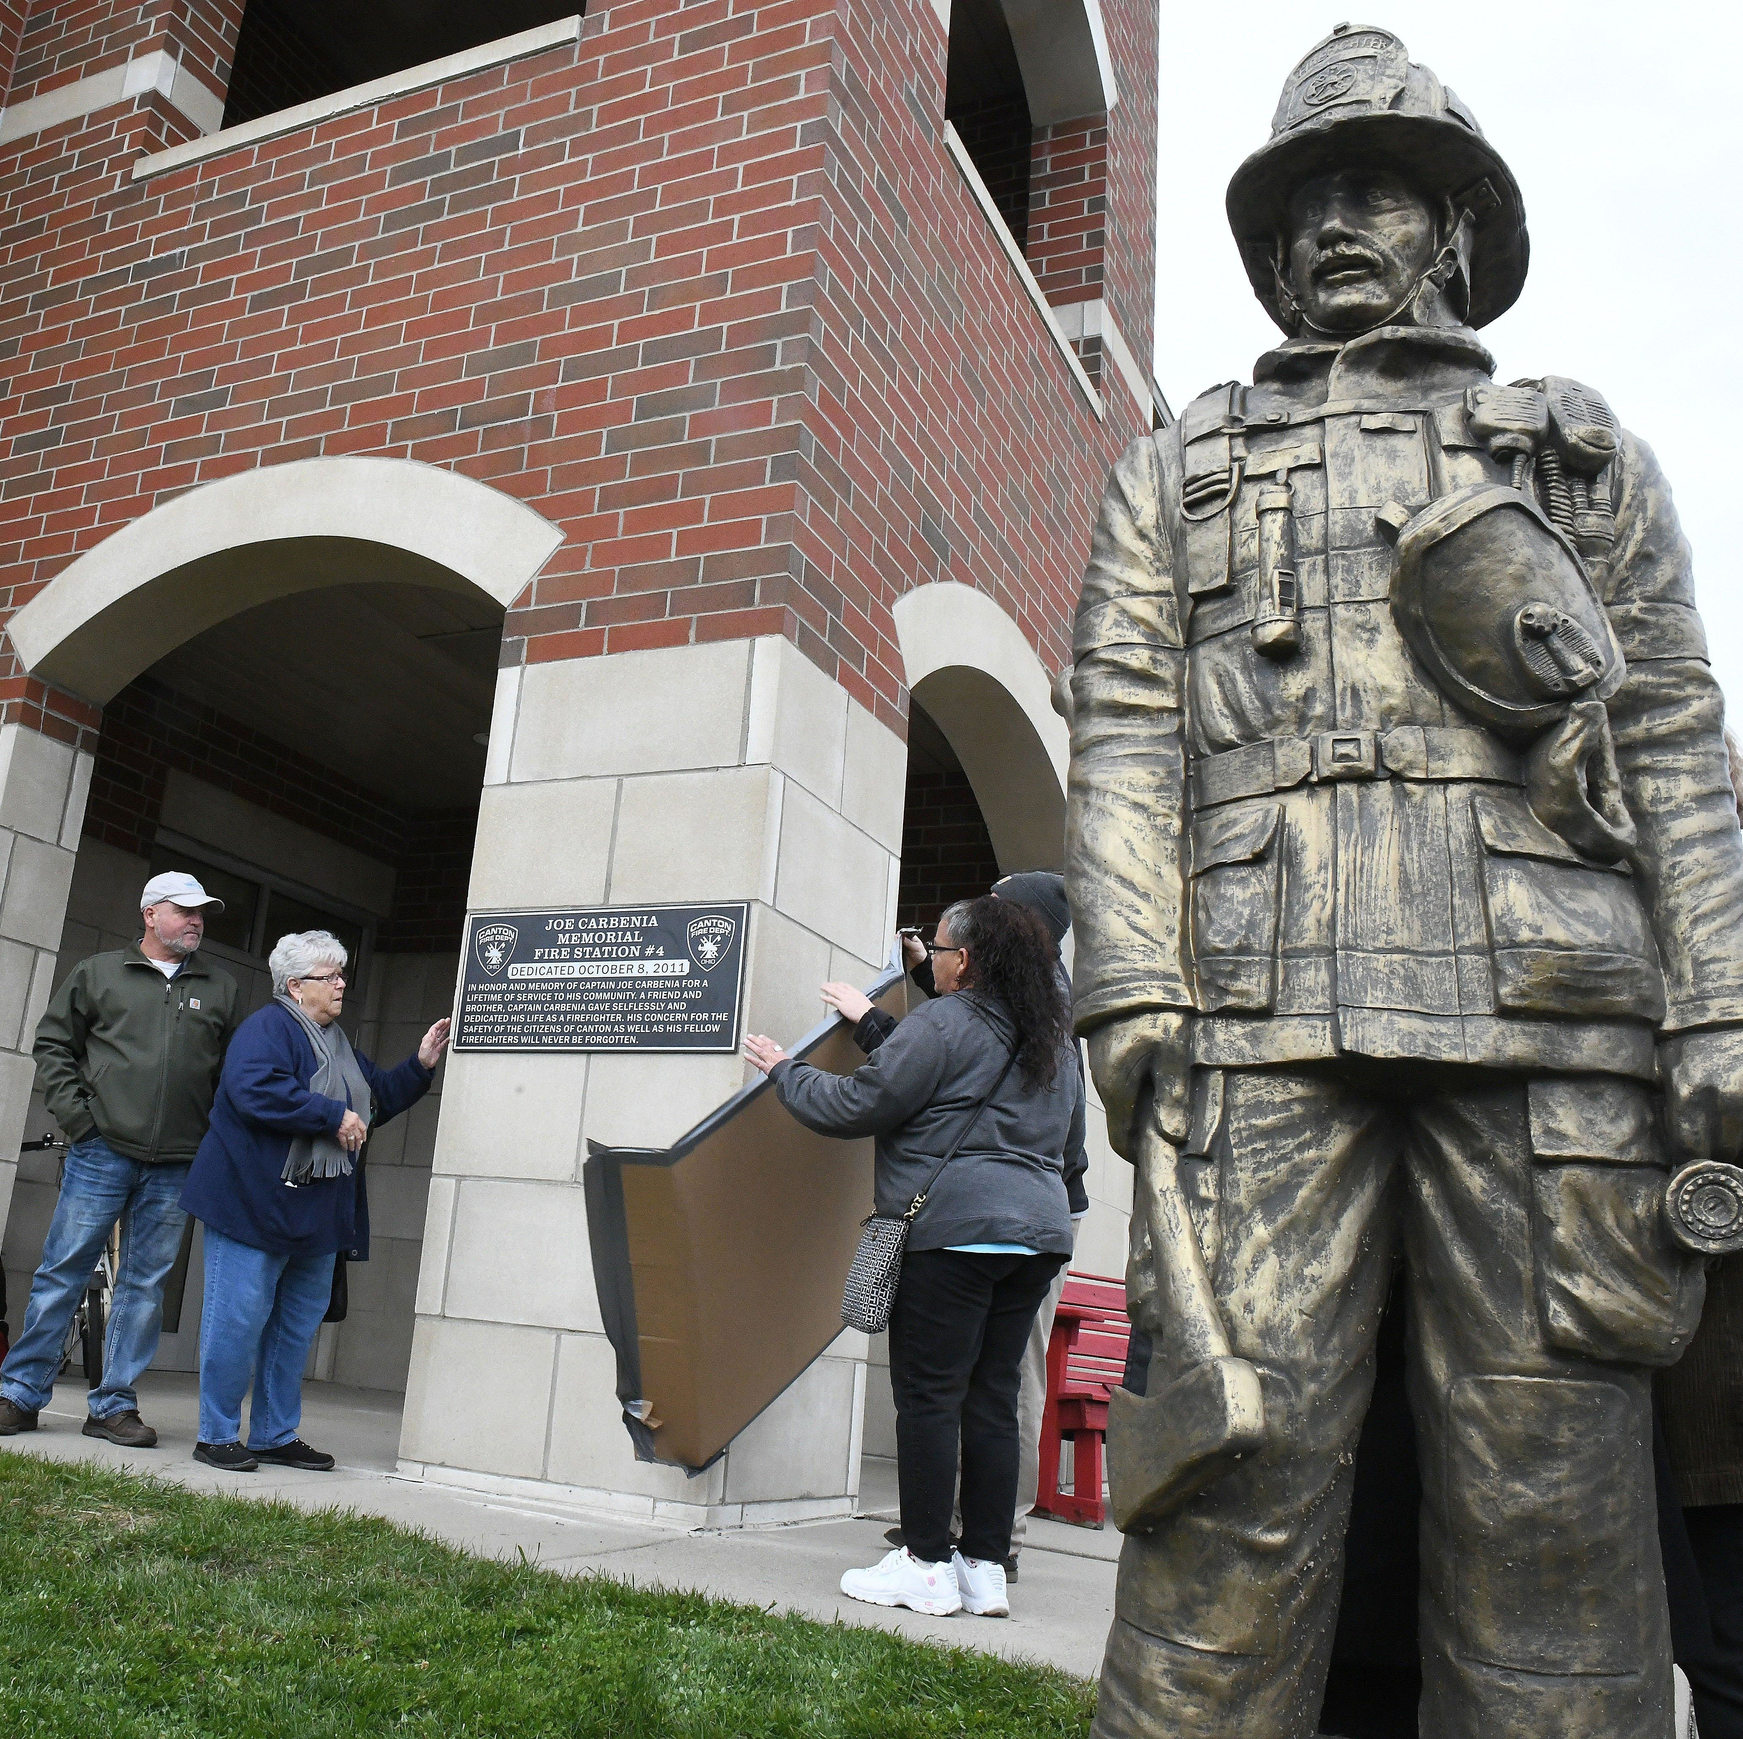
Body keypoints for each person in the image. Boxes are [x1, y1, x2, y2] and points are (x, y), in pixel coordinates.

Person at [1068, 24, 1743, 1738]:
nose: (1327, 229)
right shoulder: (1177, 462)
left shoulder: (1573, 459)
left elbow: (1669, 729)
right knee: (1225, 1484)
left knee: (1553, 1500)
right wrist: (1131, 979)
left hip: (1549, 1016)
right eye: (1297, 205)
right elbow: (1130, 730)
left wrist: (1719, 998)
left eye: (1367, 190)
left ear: (1452, 223)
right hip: (1256, 1004)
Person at [744, 895, 1086, 1619]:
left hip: (952, 1231)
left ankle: (926, 1562)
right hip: (1035, 1235)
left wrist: (784, 1071)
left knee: (929, 1397)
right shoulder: (1053, 1039)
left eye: (935, 948)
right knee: (991, 1399)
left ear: (963, 959)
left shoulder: (945, 1019)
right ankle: (984, 1565)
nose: (928, 957)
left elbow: (859, 1104)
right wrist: (873, 1024)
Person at [180, 930, 448, 1472]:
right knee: (236, 1322)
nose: (342, 983)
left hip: (317, 1213)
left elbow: (375, 1102)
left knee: (293, 1329)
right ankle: (216, 1434)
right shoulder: (267, 1028)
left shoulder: (338, 1043)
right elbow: (253, 1089)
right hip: (252, 1205)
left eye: (343, 973)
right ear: (296, 986)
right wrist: (330, 1116)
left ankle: (275, 1433)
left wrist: (419, 1064)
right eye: (331, 976)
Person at [0, 871, 238, 1447]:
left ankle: (113, 1406)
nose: (196, 921)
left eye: (201, 911)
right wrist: (81, 1121)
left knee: (145, 1285)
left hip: (178, 1159)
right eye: (184, 910)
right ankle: (19, 1395)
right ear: (150, 913)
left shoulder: (222, 987)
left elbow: (230, 1074)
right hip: (101, 1150)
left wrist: (208, 1138)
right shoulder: (99, 973)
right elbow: (54, 1044)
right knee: (63, 1270)